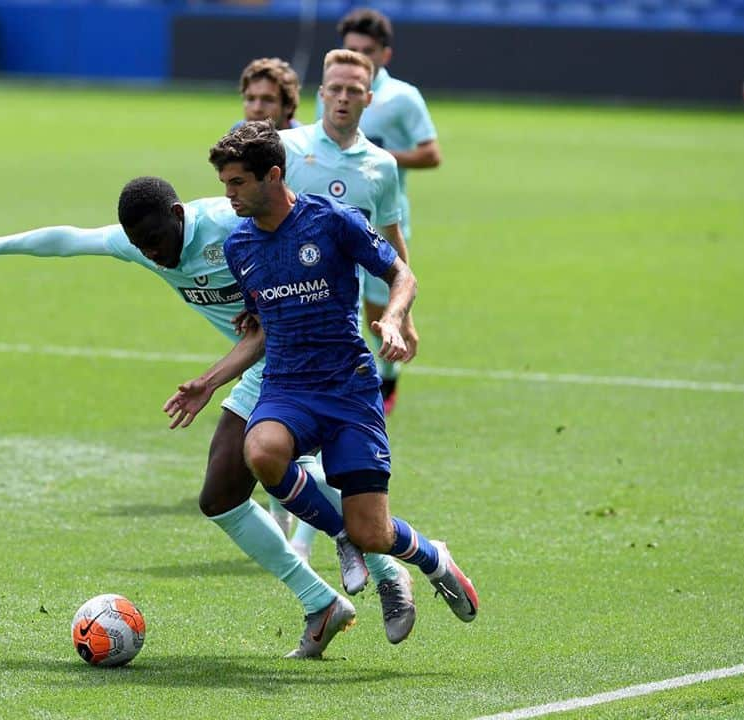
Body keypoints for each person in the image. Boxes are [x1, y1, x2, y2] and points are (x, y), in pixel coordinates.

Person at [0, 176, 415, 657]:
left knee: (284, 469)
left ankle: (385, 570)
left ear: (176, 213)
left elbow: (310, 234)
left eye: (156, 243)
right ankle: (323, 602)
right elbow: (69, 239)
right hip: (256, 366)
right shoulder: (139, 243)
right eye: (139, 247)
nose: (152, 255)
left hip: (309, 363)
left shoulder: (228, 223)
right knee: (222, 498)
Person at [165, 121, 478, 646]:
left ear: (273, 175)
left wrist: (396, 319)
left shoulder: (331, 221)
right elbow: (261, 329)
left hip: (349, 387)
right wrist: (209, 382)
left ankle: (432, 556)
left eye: (238, 183)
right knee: (261, 451)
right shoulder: (240, 247)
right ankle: (340, 537)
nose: (229, 196)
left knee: (373, 531)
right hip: (288, 386)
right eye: (224, 184)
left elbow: (403, 275)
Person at [276, 48, 417, 562]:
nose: (341, 97)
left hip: (337, 326)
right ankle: (318, 535)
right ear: (320, 93)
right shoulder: (288, 148)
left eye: (353, 90)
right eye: (333, 88)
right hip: (276, 316)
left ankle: (315, 539)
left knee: (305, 441)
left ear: (368, 98)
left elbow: (391, 248)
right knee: (268, 446)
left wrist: (401, 315)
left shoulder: (381, 167)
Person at [323, 8, 442, 415]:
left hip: (385, 218)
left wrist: (375, 158)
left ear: (385, 54)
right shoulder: (336, 89)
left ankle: (388, 376)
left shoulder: (401, 98)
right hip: (336, 220)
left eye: (367, 50)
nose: (359, 56)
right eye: (351, 48)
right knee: (338, 304)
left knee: (380, 306)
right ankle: (348, 385)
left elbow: (432, 154)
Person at [234, 57, 302, 131]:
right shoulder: (237, 132)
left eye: (268, 100)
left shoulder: (303, 141)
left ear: (289, 105)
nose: (257, 109)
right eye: (250, 99)